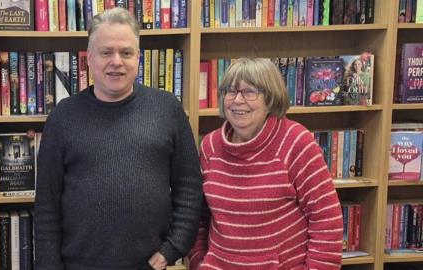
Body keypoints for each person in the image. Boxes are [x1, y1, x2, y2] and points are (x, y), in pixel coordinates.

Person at [34, 7, 202, 270]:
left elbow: (189, 186)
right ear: (89, 58)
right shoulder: (62, 117)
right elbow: (46, 206)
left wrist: (174, 247)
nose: (116, 61)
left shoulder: (167, 109)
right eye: (106, 52)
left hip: (149, 266)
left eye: (126, 52)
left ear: (138, 57)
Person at [189, 58, 343, 270]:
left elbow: (326, 220)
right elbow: (200, 217)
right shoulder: (210, 146)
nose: (237, 100)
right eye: (230, 91)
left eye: (249, 91)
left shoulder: (296, 141)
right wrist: (198, 260)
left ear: (270, 99)